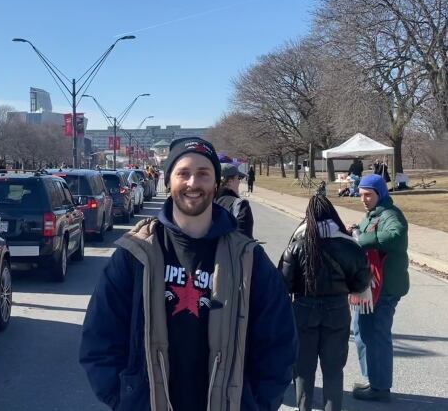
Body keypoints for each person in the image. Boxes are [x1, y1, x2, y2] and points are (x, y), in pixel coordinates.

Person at [79, 137, 297, 411]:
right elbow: (99, 339)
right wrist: (127, 400)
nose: (193, 183)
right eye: (183, 173)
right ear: (168, 181)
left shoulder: (248, 259)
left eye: (203, 174)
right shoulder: (134, 254)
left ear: (215, 183)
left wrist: (254, 404)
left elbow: (279, 343)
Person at [279, 194, 370, 411]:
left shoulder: (297, 245)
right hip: (337, 310)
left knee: (303, 370)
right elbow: (361, 281)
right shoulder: (350, 245)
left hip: (303, 309)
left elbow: (283, 283)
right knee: (333, 371)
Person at [348, 174, 409, 402]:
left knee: (377, 335)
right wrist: (356, 230)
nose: (363, 199)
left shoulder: (391, 215)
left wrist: (360, 238)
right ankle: (371, 379)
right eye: (361, 194)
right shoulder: (373, 215)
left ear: (380, 193)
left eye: (368, 195)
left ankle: (380, 387)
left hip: (384, 290)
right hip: (368, 288)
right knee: (362, 332)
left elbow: (395, 235)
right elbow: (365, 233)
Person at [214, 163, 254, 238]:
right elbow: (244, 243)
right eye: (238, 178)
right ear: (229, 181)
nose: (239, 182)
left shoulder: (204, 202)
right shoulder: (240, 206)